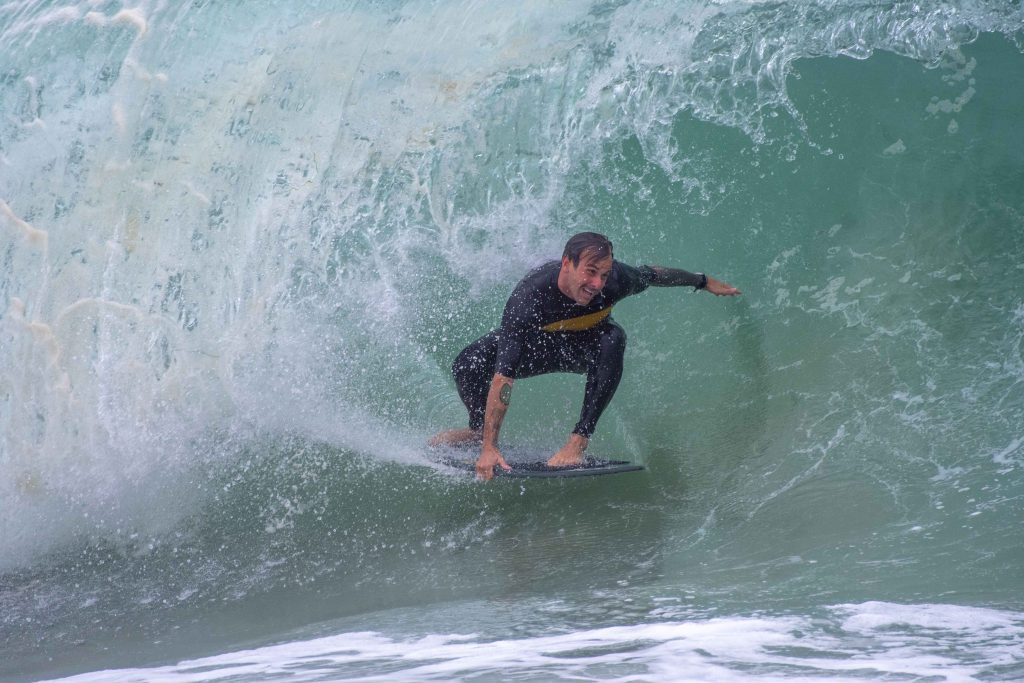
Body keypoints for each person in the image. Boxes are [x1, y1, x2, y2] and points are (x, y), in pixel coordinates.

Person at [430, 232, 740, 480]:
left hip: (582, 347)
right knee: (467, 362)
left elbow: (654, 275)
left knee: (614, 338)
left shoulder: (618, 280)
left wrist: (702, 281)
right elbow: (503, 378)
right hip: (536, 348)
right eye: (590, 272)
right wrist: (489, 448)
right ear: (567, 263)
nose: (597, 284)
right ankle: (477, 432)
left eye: (603, 275)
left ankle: (577, 442)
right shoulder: (529, 297)